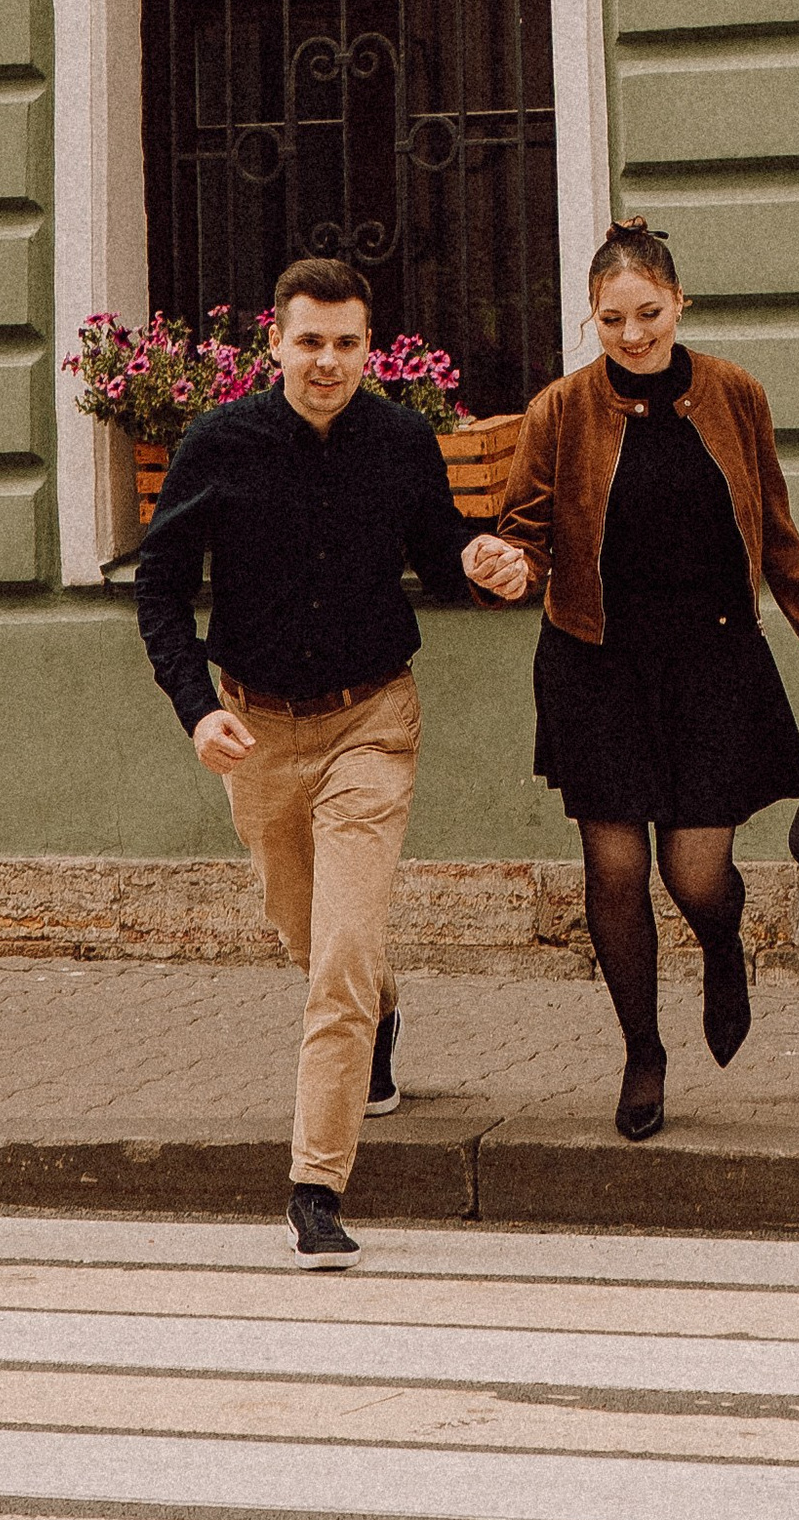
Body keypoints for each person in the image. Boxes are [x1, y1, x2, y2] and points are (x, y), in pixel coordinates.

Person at [135, 254, 520, 1268]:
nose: (328, 362)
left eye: (348, 343)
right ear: (274, 344)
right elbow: (161, 590)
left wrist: (481, 560)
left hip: (370, 723)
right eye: (309, 341)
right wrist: (193, 713)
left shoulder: (398, 440)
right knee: (310, 940)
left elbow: (440, 552)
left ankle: (316, 1185)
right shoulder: (218, 444)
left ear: (367, 346)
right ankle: (381, 1013)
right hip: (255, 728)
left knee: (343, 951)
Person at [464, 218, 799, 1139]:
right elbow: (520, 531)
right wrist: (503, 567)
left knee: (696, 872)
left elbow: (778, 535)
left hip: (713, 661)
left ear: (680, 304)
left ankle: (723, 941)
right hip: (594, 661)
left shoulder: (735, 396)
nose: (633, 335)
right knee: (614, 866)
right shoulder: (559, 411)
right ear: (591, 321)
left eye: (648, 314)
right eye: (612, 320)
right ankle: (643, 1052)